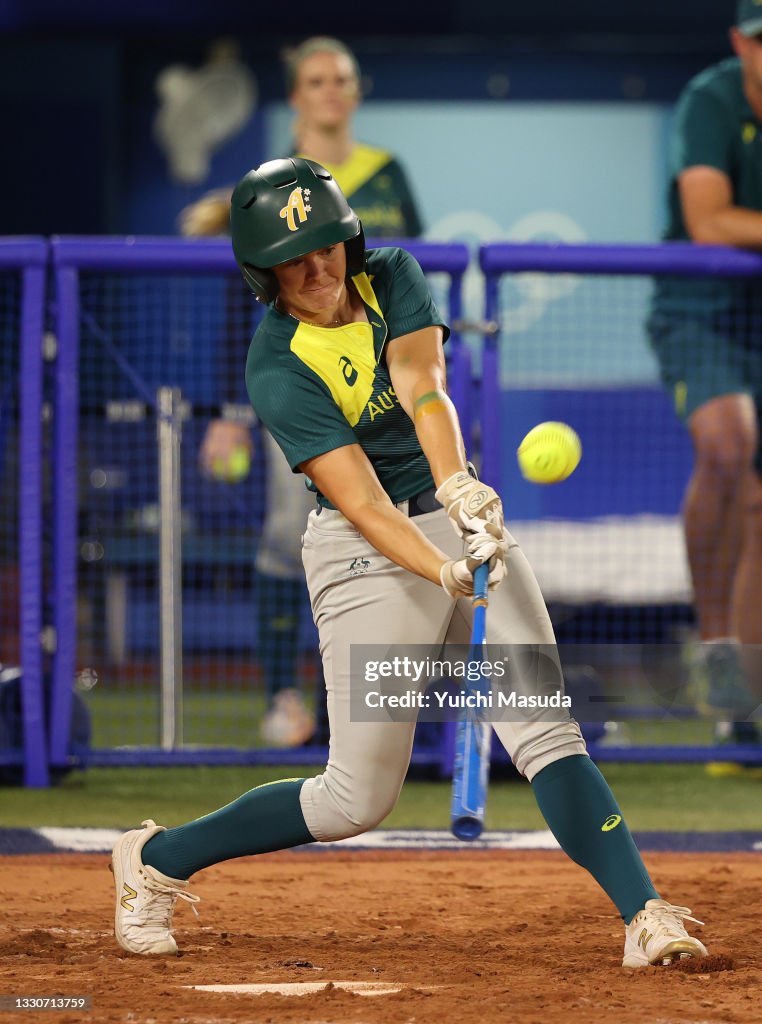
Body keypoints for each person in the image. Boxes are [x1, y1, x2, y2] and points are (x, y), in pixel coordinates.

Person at [111, 157, 708, 969]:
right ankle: (157, 859)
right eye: (294, 259)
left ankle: (645, 915)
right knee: (355, 799)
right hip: (364, 555)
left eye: (328, 247)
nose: (318, 270)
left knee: (545, 729)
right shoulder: (276, 365)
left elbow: (423, 384)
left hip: (455, 520)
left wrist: (459, 491)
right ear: (262, 272)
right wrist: (443, 570)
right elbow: (362, 501)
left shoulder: (390, 274)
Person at [188, 35, 423, 746]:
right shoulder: (271, 182)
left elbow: (409, 278)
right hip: (302, 384)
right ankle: (282, 695)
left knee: (387, 528)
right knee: (288, 534)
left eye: (341, 79)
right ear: (296, 95)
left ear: (356, 91)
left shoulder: (386, 175)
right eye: (316, 80)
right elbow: (240, 306)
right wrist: (230, 410)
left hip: (382, 386)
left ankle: (350, 703)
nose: (330, 91)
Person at [646, 0, 762, 753]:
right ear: (740, 44)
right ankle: (715, 644)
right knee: (728, 445)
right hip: (698, 311)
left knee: (761, 497)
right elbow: (709, 220)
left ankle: (740, 699)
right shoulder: (711, 100)